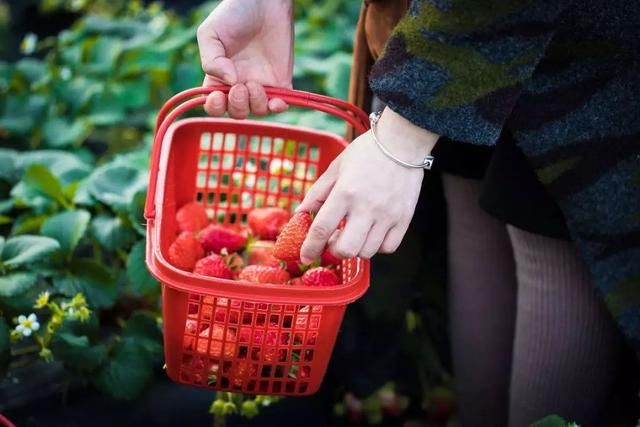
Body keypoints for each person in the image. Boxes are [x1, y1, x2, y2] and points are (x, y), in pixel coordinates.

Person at [196, 1, 640, 425]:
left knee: (545, 228)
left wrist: (403, 136)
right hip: (438, 29)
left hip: (547, 38)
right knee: (475, 194)